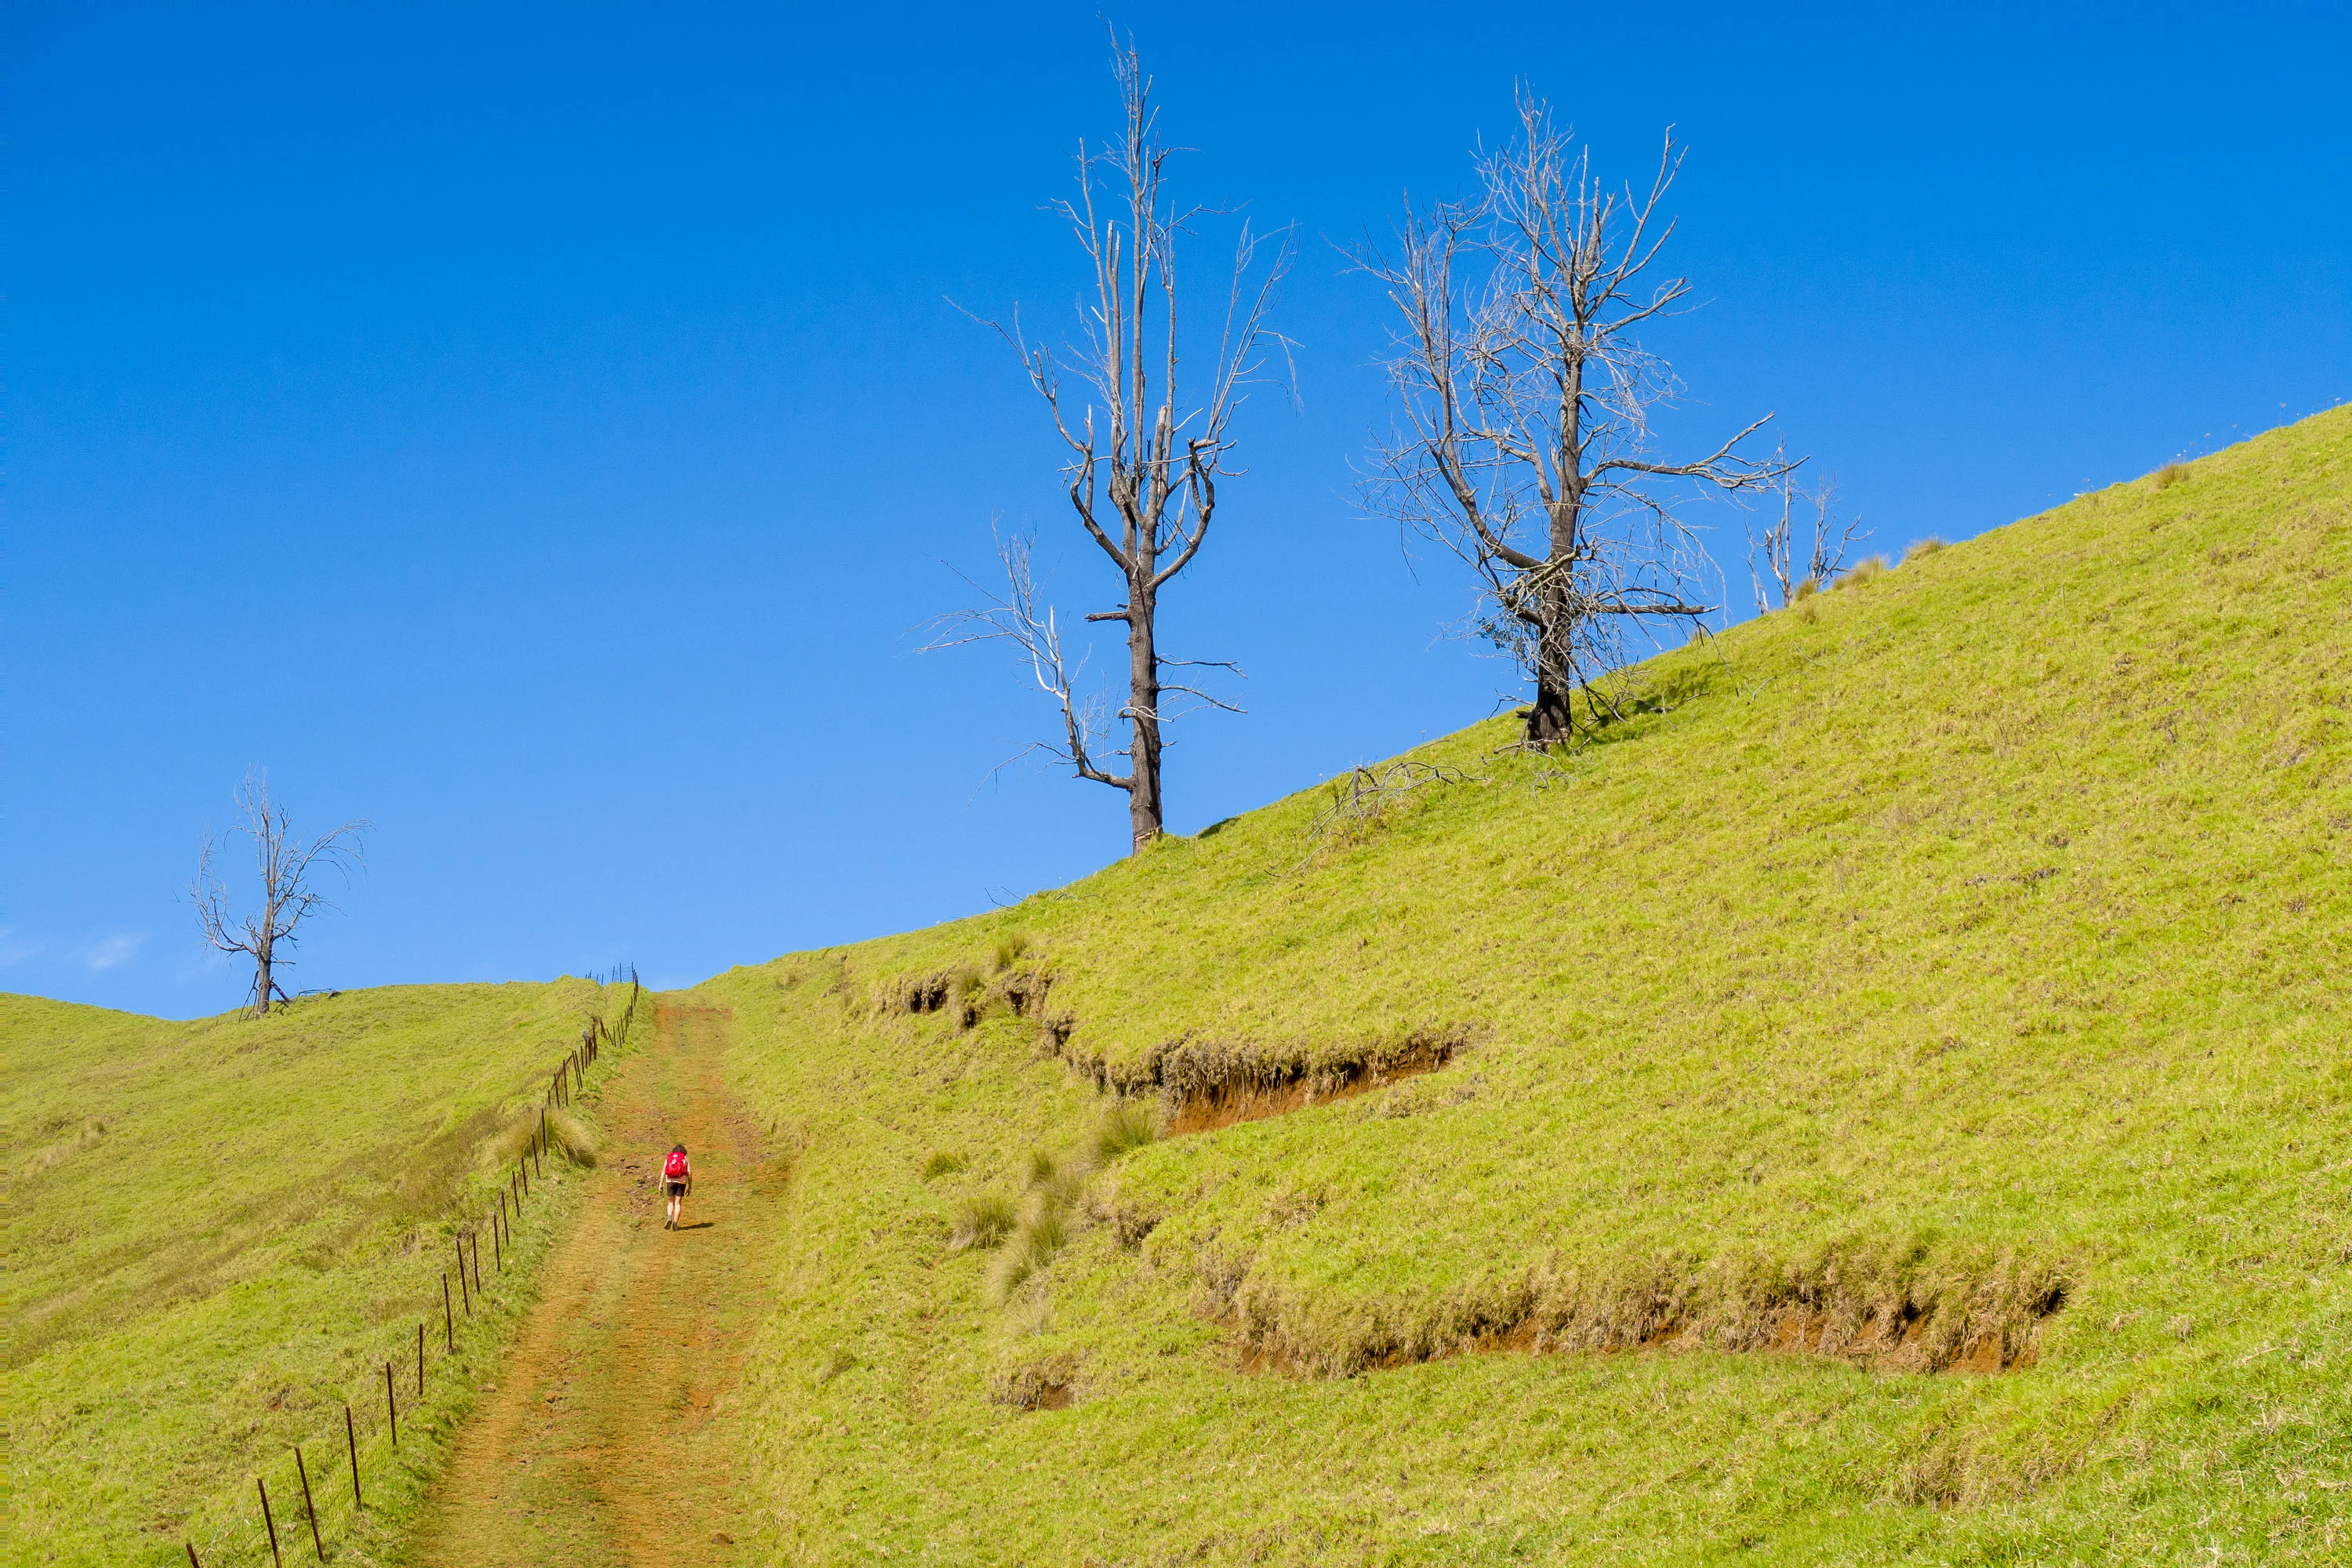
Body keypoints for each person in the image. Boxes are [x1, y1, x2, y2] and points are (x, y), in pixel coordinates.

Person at [661, 1143, 692, 1229]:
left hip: (670, 1181)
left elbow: (664, 1170)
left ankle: (669, 1217)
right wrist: (690, 1186)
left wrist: (660, 1184)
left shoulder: (669, 1157)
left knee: (671, 1202)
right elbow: (689, 1173)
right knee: (678, 1203)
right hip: (681, 1182)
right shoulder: (685, 1159)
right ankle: (675, 1224)